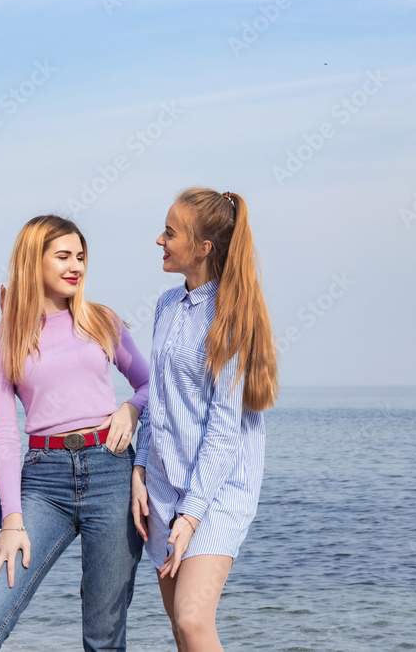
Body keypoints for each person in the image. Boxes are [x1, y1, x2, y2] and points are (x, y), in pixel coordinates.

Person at [0, 215, 150, 652]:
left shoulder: (101, 320)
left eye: (80, 257)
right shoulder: (4, 340)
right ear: (32, 261)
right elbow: (4, 433)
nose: (74, 266)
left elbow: (150, 385)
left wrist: (130, 410)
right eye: (62, 256)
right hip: (43, 481)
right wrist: (11, 520)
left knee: (103, 637)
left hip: (111, 472)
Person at [131, 188, 278, 652]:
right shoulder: (165, 306)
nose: (159, 239)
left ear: (203, 248)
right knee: (179, 626)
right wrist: (138, 468)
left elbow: (223, 430)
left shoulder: (230, 318)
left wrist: (191, 516)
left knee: (194, 620)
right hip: (162, 483)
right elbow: (156, 399)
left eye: (170, 233)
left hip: (217, 492)